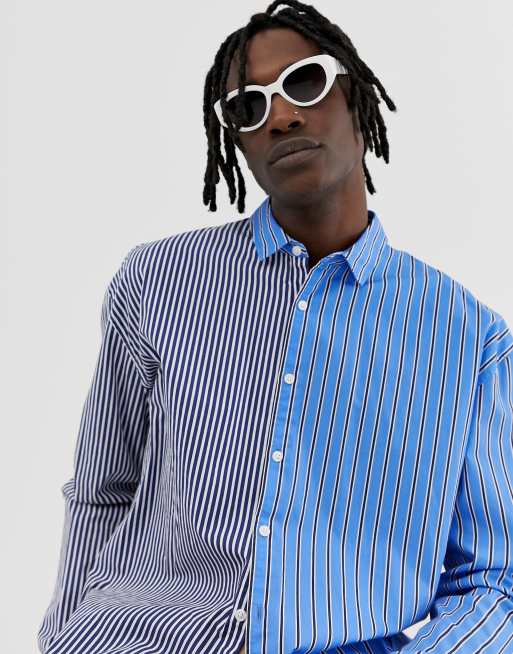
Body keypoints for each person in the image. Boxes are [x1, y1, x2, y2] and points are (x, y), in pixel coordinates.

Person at [38, 1, 513, 653]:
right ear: (237, 140)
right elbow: (102, 490)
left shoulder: (469, 339)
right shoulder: (155, 281)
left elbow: (492, 577)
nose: (281, 115)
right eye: (248, 106)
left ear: (355, 96)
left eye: (304, 82)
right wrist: (64, 635)